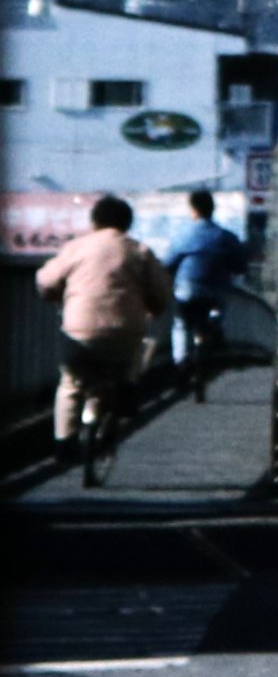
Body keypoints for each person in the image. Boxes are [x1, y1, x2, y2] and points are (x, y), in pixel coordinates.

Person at [37, 197, 170, 482]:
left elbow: (46, 281)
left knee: (71, 383)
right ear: (127, 223)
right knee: (131, 357)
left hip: (80, 332)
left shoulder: (76, 247)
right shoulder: (140, 251)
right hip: (123, 333)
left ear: (93, 221)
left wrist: (55, 296)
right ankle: (127, 393)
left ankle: (64, 442)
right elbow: (160, 294)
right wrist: (153, 308)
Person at [150, 190, 249, 402]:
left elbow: (167, 265)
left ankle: (181, 361)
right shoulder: (226, 237)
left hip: (187, 290)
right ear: (212, 209)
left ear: (193, 210)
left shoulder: (183, 236)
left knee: (181, 324)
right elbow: (241, 265)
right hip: (216, 291)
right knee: (215, 315)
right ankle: (213, 336)